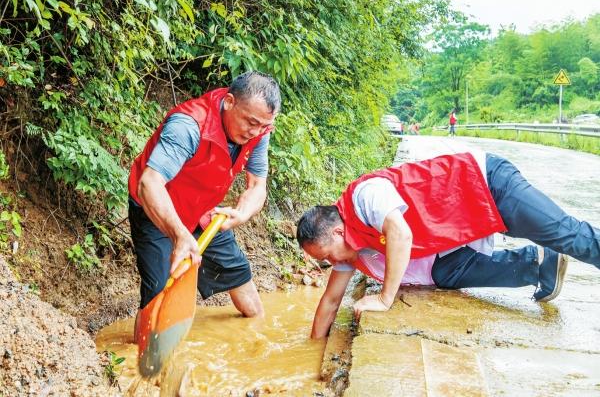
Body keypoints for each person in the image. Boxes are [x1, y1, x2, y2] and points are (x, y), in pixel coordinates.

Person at [296, 151, 600, 338]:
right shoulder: (350, 249)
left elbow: (401, 234)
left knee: (568, 235)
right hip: (469, 220)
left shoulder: (365, 197)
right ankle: (539, 264)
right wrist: (312, 348)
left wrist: (386, 300)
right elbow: (331, 300)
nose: (329, 263)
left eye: (326, 256)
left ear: (336, 233)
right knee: (447, 272)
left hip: (489, 185)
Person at [128, 71, 280, 322]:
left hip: (203, 212)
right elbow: (149, 184)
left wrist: (241, 214)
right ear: (229, 102)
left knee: (240, 275)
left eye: (264, 126)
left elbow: (257, 186)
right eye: (251, 122)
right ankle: (139, 358)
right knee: (159, 297)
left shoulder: (260, 131)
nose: (256, 132)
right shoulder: (188, 125)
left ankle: (255, 337)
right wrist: (179, 235)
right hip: (156, 209)